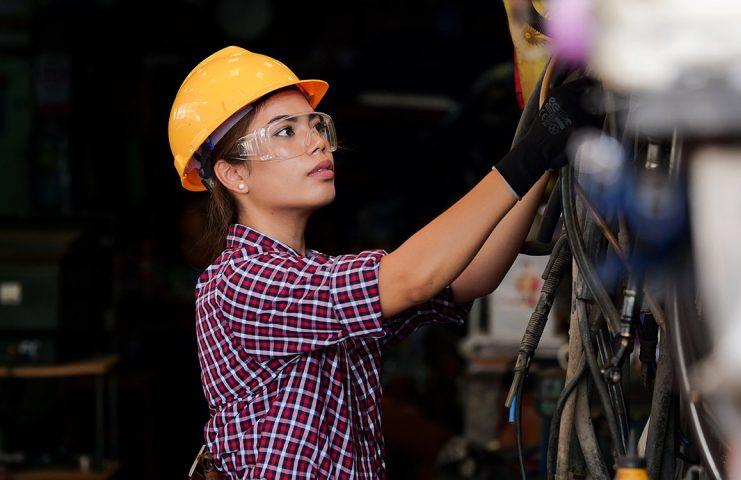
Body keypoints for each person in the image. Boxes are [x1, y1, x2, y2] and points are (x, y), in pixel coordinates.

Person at [169, 46, 600, 479]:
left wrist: (542, 160)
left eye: (316, 125)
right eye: (285, 132)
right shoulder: (240, 281)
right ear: (232, 174)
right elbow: (410, 279)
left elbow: (469, 277)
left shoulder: (315, 275)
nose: (317, 141)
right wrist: (528, 156)